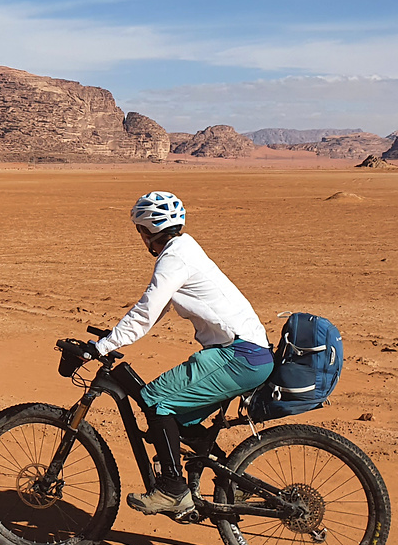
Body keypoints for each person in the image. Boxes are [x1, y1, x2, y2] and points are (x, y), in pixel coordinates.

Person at [93, 191, 273, 516]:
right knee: (176, 419)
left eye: (140, 231)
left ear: (147, 231)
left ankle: (173, 490)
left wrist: (103, 347)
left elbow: (147, 310)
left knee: (155, 399)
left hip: (237, 356)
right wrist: (114, 336)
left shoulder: (174, 259)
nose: (140, 238)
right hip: (250, 355)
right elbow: (157, 308)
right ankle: (233, 485)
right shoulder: (185, 248)